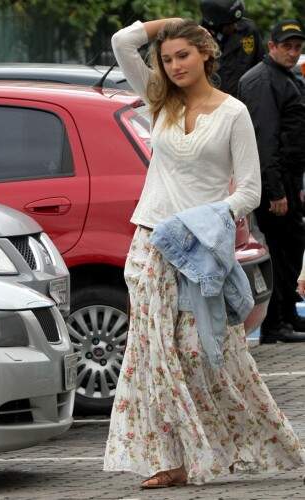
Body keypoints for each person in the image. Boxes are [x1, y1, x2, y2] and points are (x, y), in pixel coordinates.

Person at [104, 18, 305, 488]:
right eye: (167, 58)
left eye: (183, 55)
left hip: (202, 246)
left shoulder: (233, 112)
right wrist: (172, 24)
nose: (174, 65)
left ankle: (249, 439)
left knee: (200, 351)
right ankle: (170, 459)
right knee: (153, 351)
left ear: (206, 56)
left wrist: (207, 219)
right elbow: (122, 42)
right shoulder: (160, 102)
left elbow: (250, 191)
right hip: (152, 240)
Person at [238, 20, 305, 344]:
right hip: (272, 184)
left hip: (288, 179)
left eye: (297, 46)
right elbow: (265, 140)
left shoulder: (283, 77)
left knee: (292, 248)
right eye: (287, 46)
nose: (293, 52)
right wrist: (276, 191)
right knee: (279, 251)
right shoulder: (262, 81)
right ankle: (276, 323)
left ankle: (289, 315)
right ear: (271, 46)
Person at [199, 0, 265, 97]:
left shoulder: (248, 31)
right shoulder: (199, 39)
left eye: (236, 21)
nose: (234, 26)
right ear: (214, 24)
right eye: (229, 24)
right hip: (214, 102)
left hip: (247, 98)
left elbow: (261, 66)